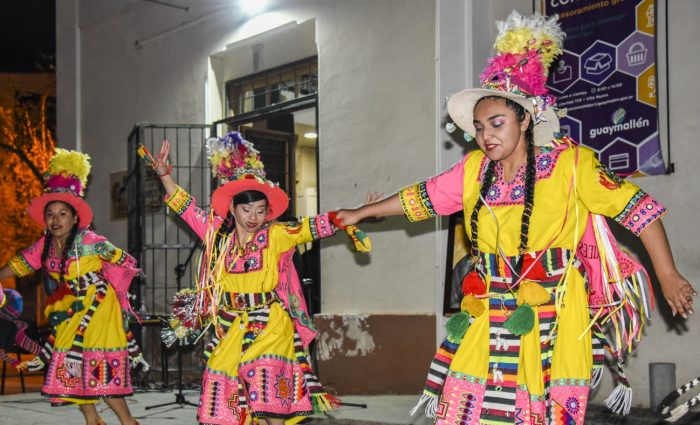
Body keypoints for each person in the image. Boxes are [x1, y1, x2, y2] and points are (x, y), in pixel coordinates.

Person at [336, 11, 695, 424]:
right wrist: (361, 212)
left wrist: (668, 275)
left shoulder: (571, 165)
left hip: (553, 310)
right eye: (478, 127)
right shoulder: (473, 171)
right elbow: (423, 197)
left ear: (525, 120)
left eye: (497, 122)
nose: (486, 135)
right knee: (464, 408)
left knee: (538, 413)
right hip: (487, 308)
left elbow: (640, 211)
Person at [149, 132, 368, 425]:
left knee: (267, 401)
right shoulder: (218, 237)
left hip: (270, 325)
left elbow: (312, 226)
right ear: (232, 208)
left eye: (261, 210)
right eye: (246, 208)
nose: (253, 216)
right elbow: (186, 208)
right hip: (231, 325)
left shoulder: (275, 235)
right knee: (223, 395)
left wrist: (355, 215)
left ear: (268, 213)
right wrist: (164, 176)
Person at [0, 149, 145, 425]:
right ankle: (93, 421)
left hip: (100, 308)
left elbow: (126, 260)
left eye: (62, 214)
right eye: (51, 214)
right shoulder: (44, 246)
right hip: (73, 307)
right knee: (68, 362)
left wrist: (111, 278)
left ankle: (128, 422)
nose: (56, 220)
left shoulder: (90, 241)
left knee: (96, 365)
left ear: (74, 217)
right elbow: (19, 264)